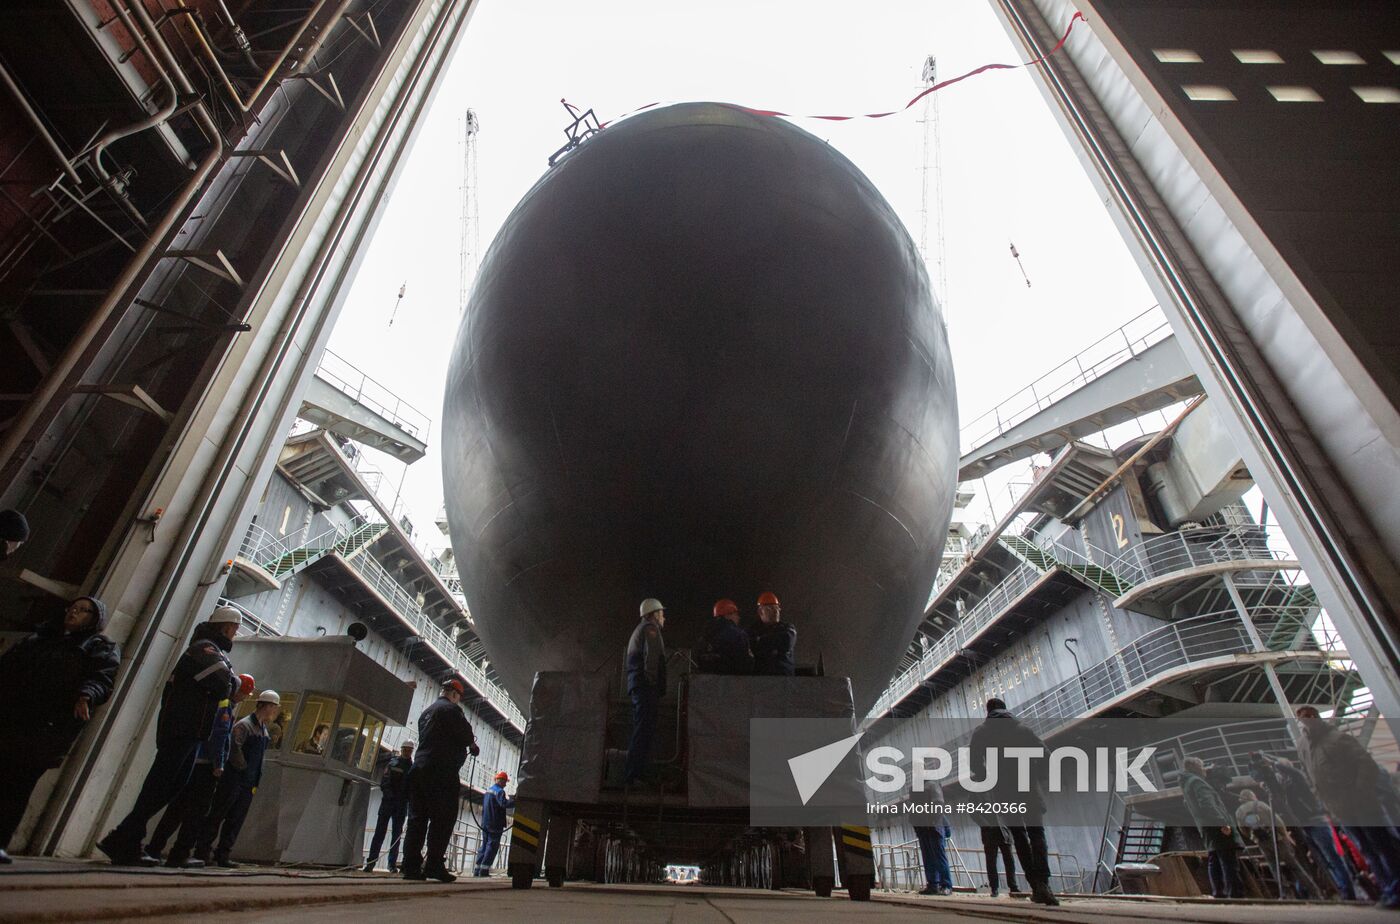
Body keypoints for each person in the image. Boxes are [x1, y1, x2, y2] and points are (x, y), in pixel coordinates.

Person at [98, 605, 240, 866]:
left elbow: (227, 684)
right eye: (234, 629)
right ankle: (123, 839)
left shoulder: (208, 649)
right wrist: (231, 682)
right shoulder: (205, 649)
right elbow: (224, 684)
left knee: (169, 788)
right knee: (161, 786)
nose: (235, 633)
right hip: (182, 729)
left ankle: (125, 837)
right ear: (227, 627)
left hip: (190, 731)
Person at [0, 596, 119, 864]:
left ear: (95, 618)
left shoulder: (98, 648)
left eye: (83, 610)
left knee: (19, 783)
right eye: (73, 608)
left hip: (47, 726)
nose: (74, 613)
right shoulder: (39, 639)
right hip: (13, 718)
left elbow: (102, 678)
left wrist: (86, 695)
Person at [1296, 705, 1400, 908]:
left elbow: (1366, 763)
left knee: (1382, 846)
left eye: (1310, 716)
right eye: (1303, 718)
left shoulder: (1338, 738)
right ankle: (1388, 888)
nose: (1307, 721)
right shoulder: (1303, 746)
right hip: (1339, 808)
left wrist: (1360, 792)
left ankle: (1395, 886)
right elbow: (1310, 775)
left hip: (1362, 803)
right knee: (1366, 850)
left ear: (1317, 717)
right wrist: (1323, 800)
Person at [149, 673, 254, 868]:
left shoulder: (216, 703)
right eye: (244, 693)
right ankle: (180, 853)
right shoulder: (225, 708)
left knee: (176, 809)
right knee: (197, 813)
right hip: (206, 767)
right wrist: (219, 764)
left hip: (194, 763)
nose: (245, 697)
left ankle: (154, 848)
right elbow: (220, 738)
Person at [968, 698, 1058, 906]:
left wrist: (986, 776)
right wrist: (1038, 775)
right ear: (1005, 709)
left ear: (987, 710)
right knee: (1037, 834)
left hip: (1004, 791)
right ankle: (1044, 882)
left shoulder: (982, 732)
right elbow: (1046, 754)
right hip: (1029, 788)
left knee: (1019, 836)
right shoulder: (1021, 728)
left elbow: (974, 761)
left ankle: (1035, 885)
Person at [1248, 751, 1356, 899]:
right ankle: (1335, 888)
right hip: (1303, 825)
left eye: (1280, 768)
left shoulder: (1298, 777)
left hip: (1315, 820)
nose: (1277, 771)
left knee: (1332, 856)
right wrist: (1263, 775)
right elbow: (1273, 786)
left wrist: (1272, 761)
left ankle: (1348, 891)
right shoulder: (1284, 786)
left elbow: (1290, 771)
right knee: (1321, 859)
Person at [402, 678, 478, 882]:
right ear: (455, 695)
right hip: (441, 772)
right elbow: (466, 734)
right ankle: (434, 864)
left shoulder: (426, 713)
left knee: (417, 819)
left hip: (419, 769)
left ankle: (410, 867)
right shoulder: (452, 710)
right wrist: (472, 745)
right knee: (442, 819)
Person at [194, 690, 279, 867]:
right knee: (218, 814)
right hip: (234, 779)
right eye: (274, 708)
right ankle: (202, 850)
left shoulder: (263, 730)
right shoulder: (245, 725)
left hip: (248, 783)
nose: (275, 712)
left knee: (236, 819)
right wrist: (243, 768)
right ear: (268, 706)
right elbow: (234, 747)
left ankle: (222, 854)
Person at [1235, 788, 1322, 898]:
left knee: (1275, 869)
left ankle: (1286, 895)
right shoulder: (1261, 805)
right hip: (1277, 839)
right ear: (1252, 796)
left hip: (1263, 843)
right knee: (1294, 866)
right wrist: (1285, 835)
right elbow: (1278, 821)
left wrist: (1254, 838)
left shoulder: (1239, 812)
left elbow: (1243, 830)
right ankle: (1314, 892)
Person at [1179, 756, 1243, 898]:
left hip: (1206, 827)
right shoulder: (1197, 782)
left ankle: (1218, 892)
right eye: (1202, 766)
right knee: (1228, 860)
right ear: (1196, 768)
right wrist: (1222, 823)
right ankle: (1235, 893)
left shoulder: (1187, 784)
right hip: (1216, 825)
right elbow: (1207, 804)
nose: (1205, 769)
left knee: (1214, 858)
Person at [624, 598, 667, 785]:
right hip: (645, 688)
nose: (664, 617)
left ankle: (636, 774)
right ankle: (634, 775)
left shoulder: (639, 630)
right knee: (644, 731)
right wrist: (653, 684)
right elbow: (651, 660)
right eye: (661, 613)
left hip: (638, 686)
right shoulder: (650, 629)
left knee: (642, 729)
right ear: (653, 614)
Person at [364, 740, 415, 872]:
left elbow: (412, 788)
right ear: (402, 749)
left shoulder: (412, 768)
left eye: (409, 750)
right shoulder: (393, 763)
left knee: (396, 836)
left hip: (401, 805)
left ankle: (391, 865)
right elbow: (385, 782)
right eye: (405, 749)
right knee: (379, 833)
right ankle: (371, 862)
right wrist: (390, 795)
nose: (407, 752)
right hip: (389, 803)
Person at [695, 599, 753, 675]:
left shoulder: (705, 634)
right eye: (736, 614)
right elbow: (746, 664)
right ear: (728, 615)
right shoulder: (738, 634)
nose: (739, 617)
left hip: (707, 683)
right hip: (732, 682)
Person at [475, 770, 515, 876]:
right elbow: (503, 803)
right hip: (495, 823)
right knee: (492, 846)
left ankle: (477, 869)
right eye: (505, 781)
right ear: (501, 780)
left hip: (486, 822)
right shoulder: (500, 791)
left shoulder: (488, 790)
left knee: (484, 845)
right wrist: (514, 800)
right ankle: (484, 870)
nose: (505, 784)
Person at [912, 792, 953, 896]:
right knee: (929, 859)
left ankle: (946, 885)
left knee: (939, 858)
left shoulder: (931, 788)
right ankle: (933, 885)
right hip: (925, 830)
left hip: (934, 829)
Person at [749, 591, 796, 676]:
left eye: (777, 607)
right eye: (770, 608)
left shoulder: (787, 629)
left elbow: (787, 641)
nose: (775, 611)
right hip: (761, 679)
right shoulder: (753, 630)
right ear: (760, 611)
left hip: (784, 679)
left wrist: (761, 641)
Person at [980, 819, 1019, 897]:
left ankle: (1013, 886)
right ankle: (994, 888)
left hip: (1004, 831)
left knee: (1009, 860)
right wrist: (985, 824)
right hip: (989, 833)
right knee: (991, 862)